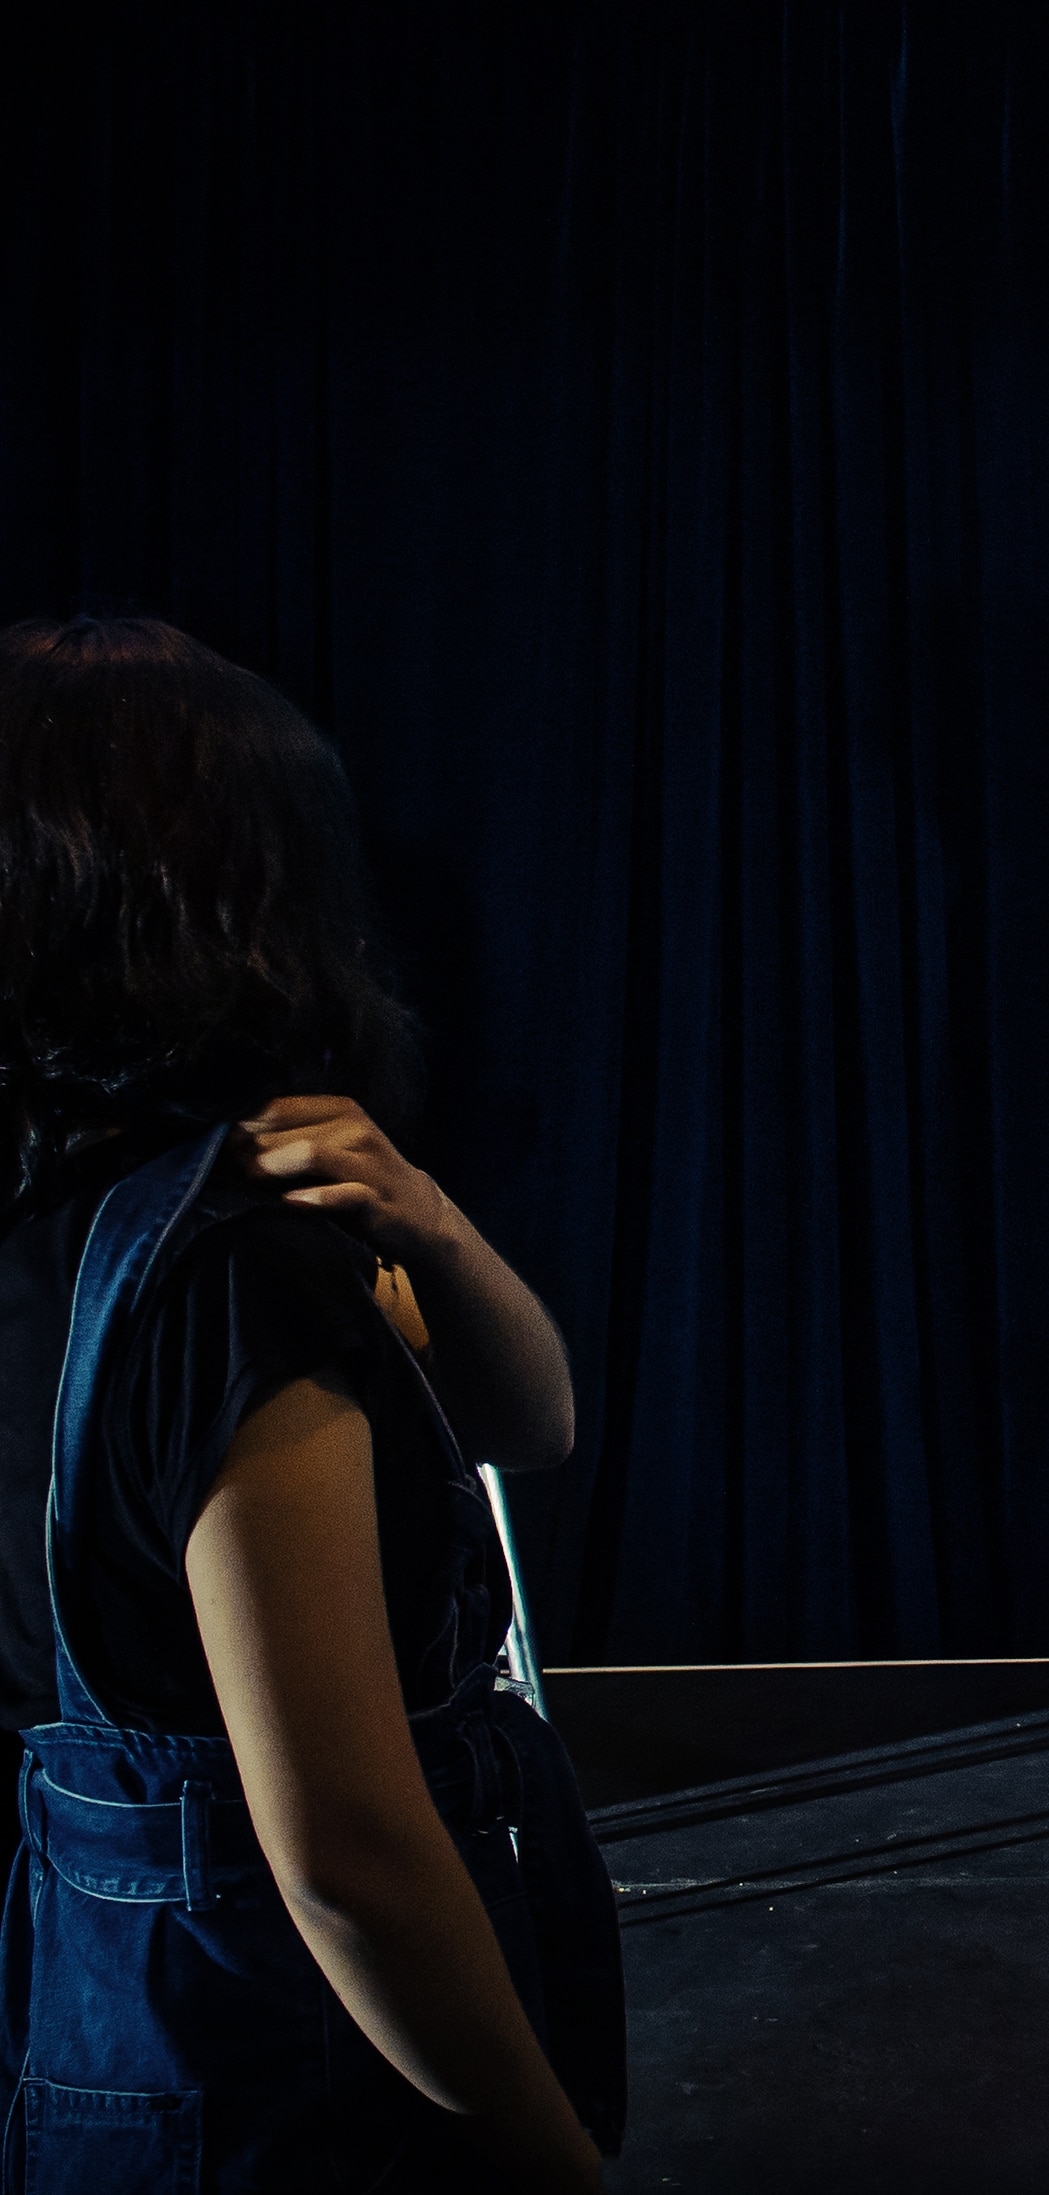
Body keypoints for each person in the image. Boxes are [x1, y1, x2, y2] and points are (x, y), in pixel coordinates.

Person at [0, 618, 621, 2191]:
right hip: (298, 2089)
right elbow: (346, 1856)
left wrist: (426, 1213)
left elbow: (529, 1419)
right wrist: (558, 2165)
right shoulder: (225, 1274)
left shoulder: (87, 1220)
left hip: (106, 2055)